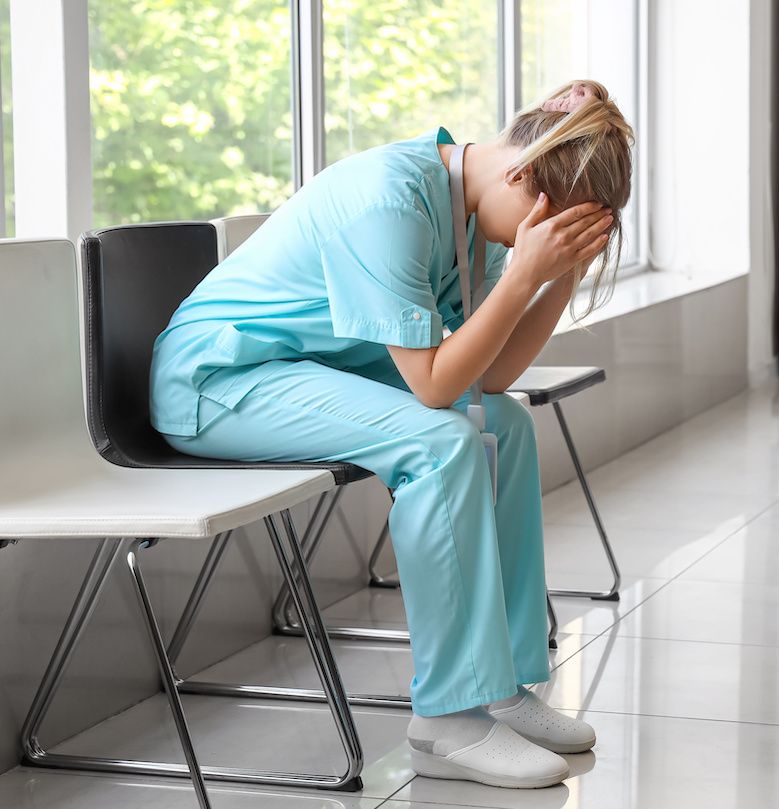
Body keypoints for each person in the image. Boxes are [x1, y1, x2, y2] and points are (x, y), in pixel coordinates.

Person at [148, 79, 634, 789]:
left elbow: (489, 380)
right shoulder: (389, 201)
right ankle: (448, 716)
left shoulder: (473, 211)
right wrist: (525, 271)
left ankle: (501, 684)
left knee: (505, 425)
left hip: (303, 370)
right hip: (218, 380)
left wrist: (553, 279)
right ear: (523, 175)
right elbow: (437, 388)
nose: (540, 244)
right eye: (551, 227)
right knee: (439, 448)